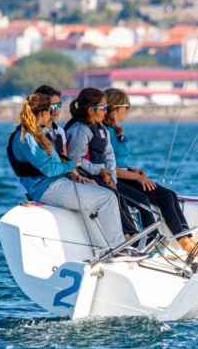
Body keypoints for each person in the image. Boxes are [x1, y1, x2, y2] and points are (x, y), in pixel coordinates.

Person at [7, 92, 125, 253]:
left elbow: (55, 163)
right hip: (46, 189)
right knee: (108, 198)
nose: (52, 115)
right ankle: (118, 248)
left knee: (99, 194)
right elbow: (49, 170)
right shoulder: (26, 138)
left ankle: (103, 249)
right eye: (50, 111)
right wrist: (74, 163)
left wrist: (76, 175)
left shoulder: (36, 134)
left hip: (56, 184)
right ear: (42, 113)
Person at [102, 87, 195, 252]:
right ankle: (174, 241)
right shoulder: (105, 133)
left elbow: (117, 160)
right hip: (118, 179)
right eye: (127, 107)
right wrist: (136, 177)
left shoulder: (115, 131)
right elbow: (108, 167)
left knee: (170, 195)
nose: (128, 111)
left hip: (127, 175)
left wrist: (133, 170)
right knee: (162, 197)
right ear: (116, 108)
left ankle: (187, 238)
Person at [63, 87, 141, 236]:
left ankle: (131, 233)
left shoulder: (101, 129)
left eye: (106, 108)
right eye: (103, 108)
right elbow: (74, 161)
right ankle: (127, 234)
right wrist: (100, 170)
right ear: (91, 110)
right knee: (111, 196)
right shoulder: (81, 130)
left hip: (102, 174)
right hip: (83, 175)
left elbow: (109, 155)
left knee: (118, 194)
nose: (106, 111)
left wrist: (112, 177)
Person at [34, 84, 67, 158]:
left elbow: (65, 158)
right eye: (52, 106)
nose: (55, 110)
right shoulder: (30, 132)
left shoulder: (59, 131)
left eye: (58, 105)